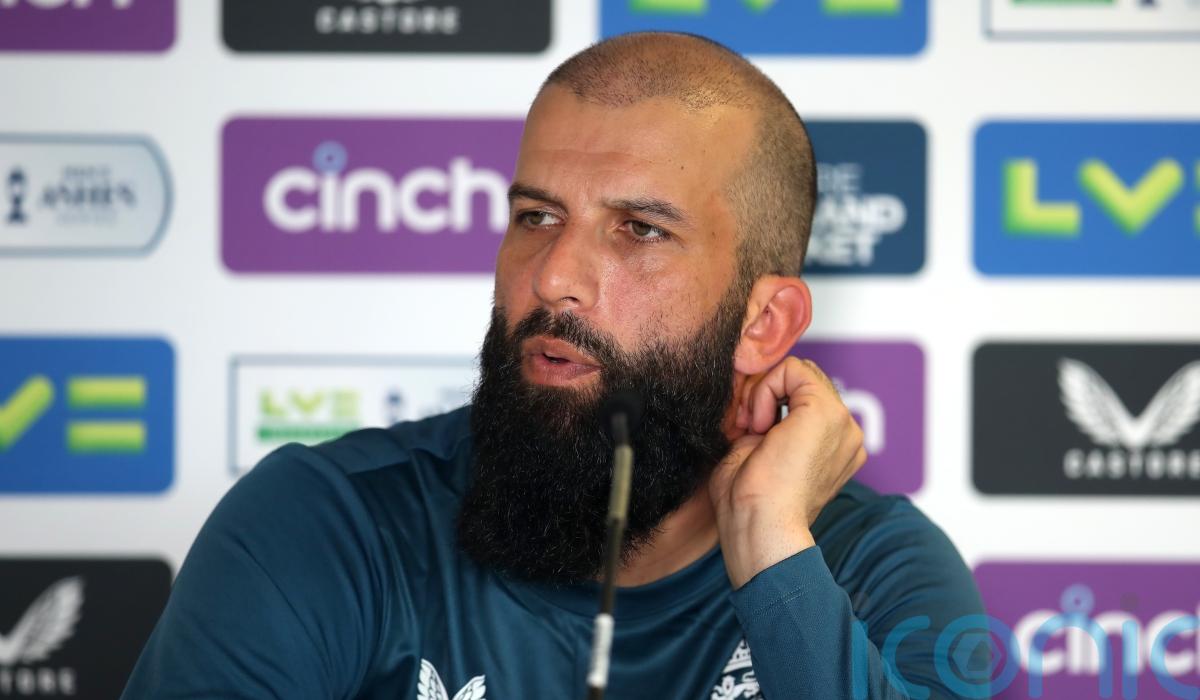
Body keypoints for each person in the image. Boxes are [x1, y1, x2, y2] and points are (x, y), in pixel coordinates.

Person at [122, 32, 986, 700]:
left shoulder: (876, 572)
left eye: (639, 230)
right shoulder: (328, 522)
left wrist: (767, 542)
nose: (554, 277)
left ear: (765, 324)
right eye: (536, 217)